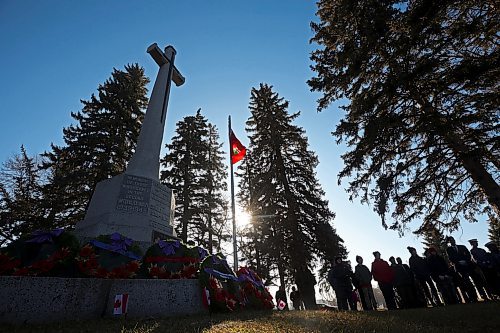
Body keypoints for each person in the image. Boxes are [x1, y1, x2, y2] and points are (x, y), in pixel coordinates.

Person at [446, 236, 478, 302]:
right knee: (464, 283)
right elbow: (451, 258)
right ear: (449, 242)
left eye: (453, 239)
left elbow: (468, 255)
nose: (453, 241)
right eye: (451, 240)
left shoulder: (462, 247)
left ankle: (475, 297)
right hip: (458, 267)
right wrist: (458, 262)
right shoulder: (449, 250)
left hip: (467, 266)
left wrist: (465, 261)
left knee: (472, 281)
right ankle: (468, 298)